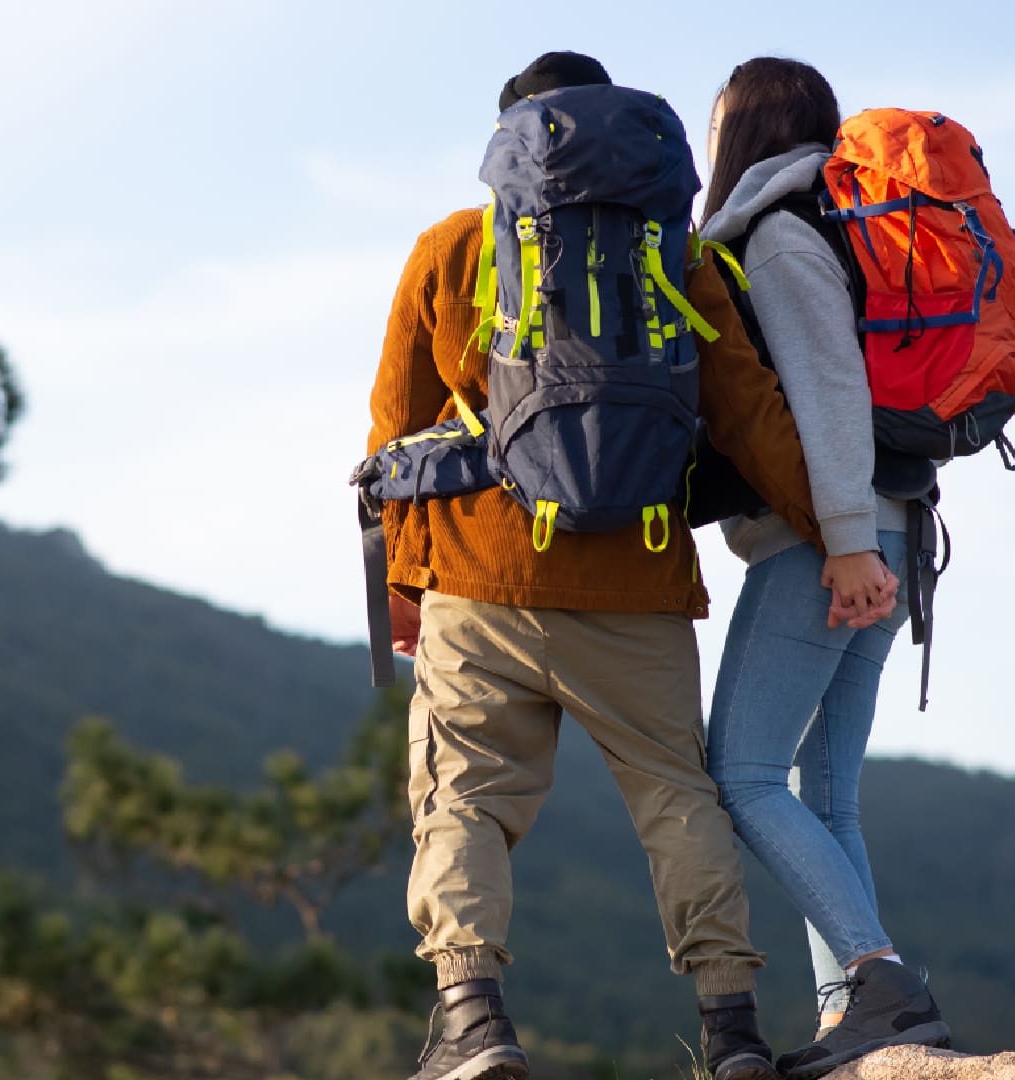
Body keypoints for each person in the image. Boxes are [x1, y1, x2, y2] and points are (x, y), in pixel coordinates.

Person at [371, 51, 869, 1080]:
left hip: (477, 581)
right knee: (673, 799)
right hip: (634, 583)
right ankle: (730, 1031)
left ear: (508, 141)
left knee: (463, 800)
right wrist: (839, 537)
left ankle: (471, 1021)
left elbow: (395, 435)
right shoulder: (672, 254)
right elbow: (746, 411)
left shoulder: (448, 248)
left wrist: (403, 591)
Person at [697, 56, 952, 1079]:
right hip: (894, 535)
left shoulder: (780, 233)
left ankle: (875, 976)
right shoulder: (848, 226)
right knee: (824, 788)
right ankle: (858, 1016)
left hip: (836, 544)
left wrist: (843, 541)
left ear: (740, 129)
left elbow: (828, 393)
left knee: (742, 774)